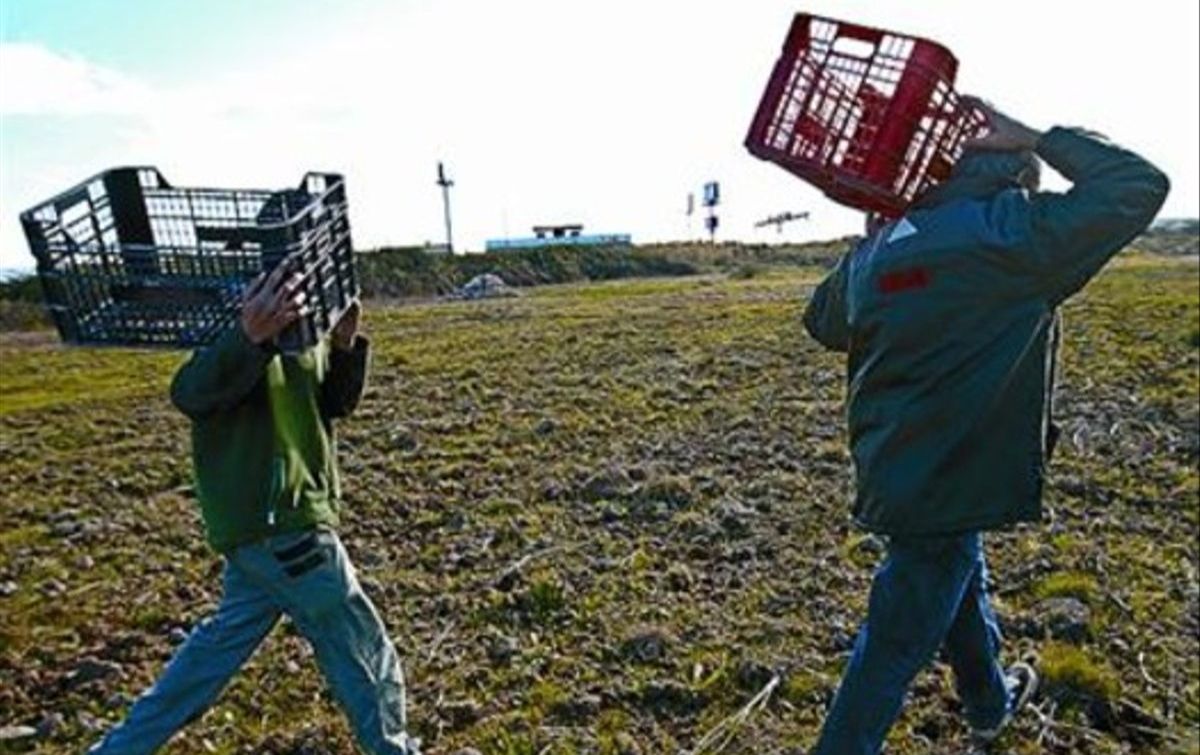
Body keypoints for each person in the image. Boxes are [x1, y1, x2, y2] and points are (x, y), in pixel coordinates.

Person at [803, 99, 1169, 754]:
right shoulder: (1016, 234)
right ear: (1017, 173)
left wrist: (876, 230)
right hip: (954, 474)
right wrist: (1038, 134)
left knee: (952, 567)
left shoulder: (885, 245)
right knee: (890, 644)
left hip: (896, 471)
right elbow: (1137, 185)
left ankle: (990, 701)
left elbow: (823, 321)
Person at [90, 263, 419, 754]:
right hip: (278, 521)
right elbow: (191, 393)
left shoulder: (301, 330)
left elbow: (331, 404)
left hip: (277, 520)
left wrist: (346, 343)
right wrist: (250, 337)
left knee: (214, 652)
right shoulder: (233, 328)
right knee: (362, 647)